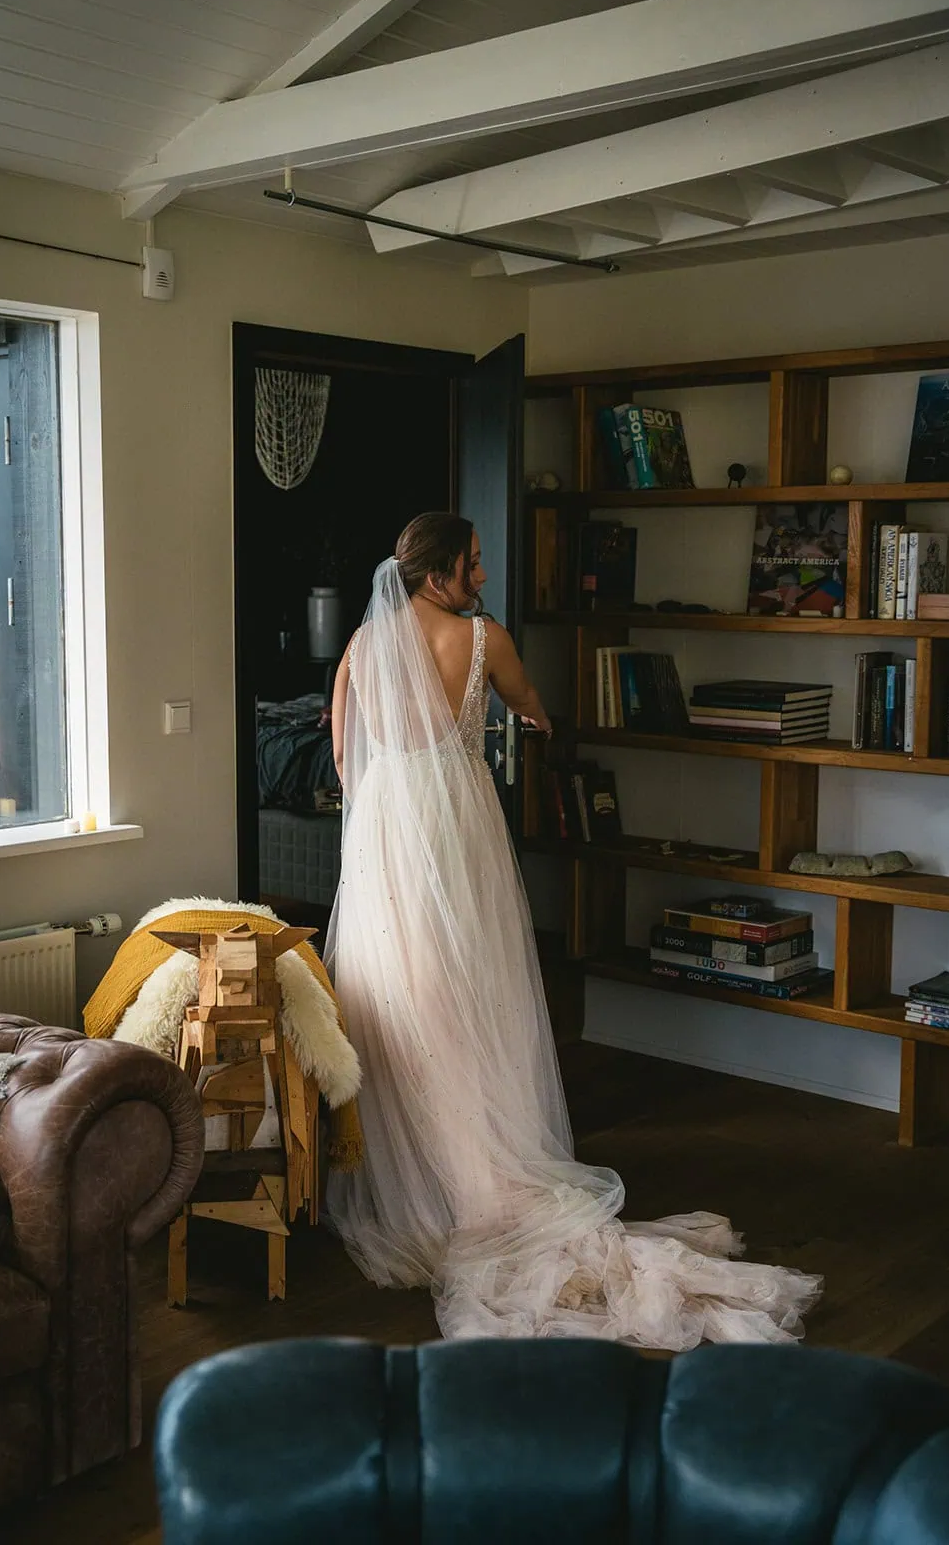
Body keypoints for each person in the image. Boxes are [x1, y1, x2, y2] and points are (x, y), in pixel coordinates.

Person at [324, 512, 821, 1346]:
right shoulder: (482, 638)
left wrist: (384, 792)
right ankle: (485, 1151)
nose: (481, 578)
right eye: (472, 565)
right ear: (438, 570)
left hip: (385, 823)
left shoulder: (363, 645)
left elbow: (343, 751)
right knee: (475, 975)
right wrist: (520, 725)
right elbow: (532, 711)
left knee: (403, 983)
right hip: (455, 813)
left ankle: (422, 1162)